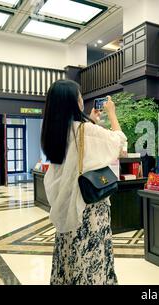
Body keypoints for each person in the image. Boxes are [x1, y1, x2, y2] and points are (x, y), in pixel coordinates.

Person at [41, 79, 126, 285]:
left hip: (65, 206)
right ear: (74, 102)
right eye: (80, 96)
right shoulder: (85, 130)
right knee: (91, 258)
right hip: (89, 209)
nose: (82, 100)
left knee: (70, 254)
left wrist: (92, 122)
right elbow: (120, 143)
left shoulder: (54, 132)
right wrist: (112, 113)